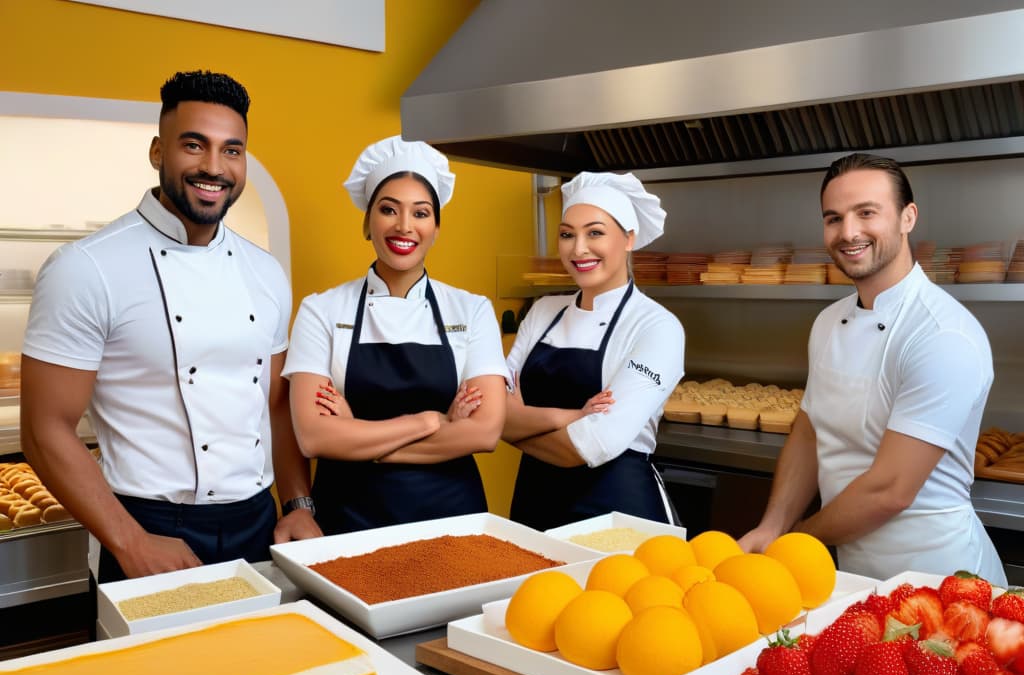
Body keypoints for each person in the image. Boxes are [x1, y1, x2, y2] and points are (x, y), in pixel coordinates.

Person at [21, 70, 321, 582]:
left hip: (256, 523)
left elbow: (273, 401)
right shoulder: (84, 267)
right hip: (145, 525)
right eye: (193, 145)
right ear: (158, 151)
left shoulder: (265, 271)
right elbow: (43, 429)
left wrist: (297, 503)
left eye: (232, 150)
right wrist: (130, 541)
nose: (213, 167)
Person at [739, 153, 1005, 584]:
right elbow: (810, 430)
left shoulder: (943, 334)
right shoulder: (827, 323)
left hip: (939, 578)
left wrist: (796, 542)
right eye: (833, 218)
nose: (848, 232)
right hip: (853, 575)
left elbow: (890, 490)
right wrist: (772, 527)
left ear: (907, 218)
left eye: (867, 213)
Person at [282, 136, 507, 534]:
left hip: (453, 519)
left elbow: (486, 431)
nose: (405, 226)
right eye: (388, 209)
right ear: (367, 223)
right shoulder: (321, 310)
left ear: (436, 228)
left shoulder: (471, 310)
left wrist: (359, 440)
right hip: (349, 518)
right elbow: (314, 437)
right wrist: (431, 421)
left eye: (421, 213)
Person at [503, 171, 684, 529]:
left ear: (629, 238)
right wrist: (569, 417)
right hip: (533, 505)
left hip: (618, 512)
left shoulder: (657, 327)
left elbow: (591, 446)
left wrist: (507, 426)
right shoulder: (543, 312)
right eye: (567, 234)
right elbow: (489, 408)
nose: (578, 248)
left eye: (595, 233)